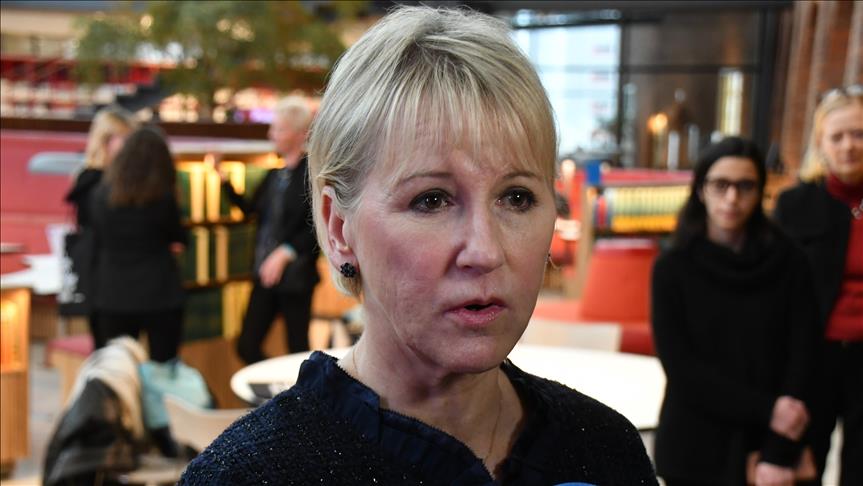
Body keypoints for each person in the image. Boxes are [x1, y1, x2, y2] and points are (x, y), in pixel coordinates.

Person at [180, 7, 657, 485]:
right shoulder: (246, 476)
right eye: (431, 200)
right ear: (339, 226)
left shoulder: (606, 450)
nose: (485, 251)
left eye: (517, 197)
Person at [651, 137, 821, 486]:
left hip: (768, 445)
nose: (732, 198)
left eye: (745, 186)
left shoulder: (790, 261)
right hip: (694, 444)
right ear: (701, 190)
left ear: (760, 191)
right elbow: (682, 369)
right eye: (720, 185)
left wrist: (778, 451)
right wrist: (768, 409)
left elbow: (804, 357)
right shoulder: (672, 267)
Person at [774, 85, 863, 486]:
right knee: (804, 465)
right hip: (812, 356)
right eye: (837, 136)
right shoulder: (794, 205)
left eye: (859, 134)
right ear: (821, 143)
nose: (849, 146)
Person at [222, 95, 320, 364]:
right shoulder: (274, 175)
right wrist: (224, 181)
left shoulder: (312, 175)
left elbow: (317, 228)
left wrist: (286, 252)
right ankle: (280, 390)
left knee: (298, 350)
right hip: (265, 274)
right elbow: (250, 211)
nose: (271, 134)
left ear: (300, 134)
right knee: (246, 345)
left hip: (295, 277)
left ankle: (298, 390)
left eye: (279, 129)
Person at [90, 126, 187, 362]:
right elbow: (178, 237)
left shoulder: (101, 195)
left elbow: (97, 237)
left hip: (112, 292)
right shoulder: (163, 198)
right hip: (160, 292)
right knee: (163, 369)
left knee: (116, 369)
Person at [63, 105, 136, 347]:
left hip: (117, 277)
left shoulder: (108, 178)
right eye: (125, 139)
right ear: (106, 141)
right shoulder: (93, 181)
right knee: (111, 350)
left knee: (122, 347)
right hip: (104, 278)